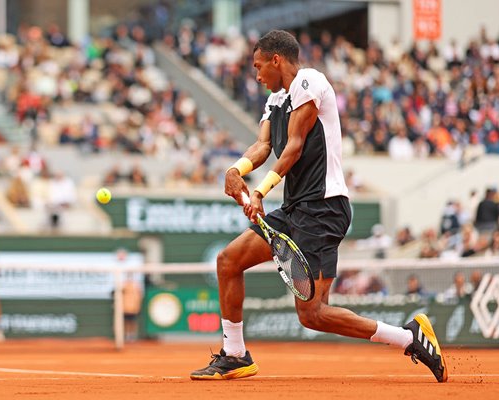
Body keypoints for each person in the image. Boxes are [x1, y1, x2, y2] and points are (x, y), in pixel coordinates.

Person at [190, 30, 447, 383]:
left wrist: (261, 190)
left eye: (258, 66)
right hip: (295, 208)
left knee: (312, 315)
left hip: (324, 209)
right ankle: (235, 354)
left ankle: (408, 337)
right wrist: (237, 169)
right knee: (228, 261)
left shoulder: (310, 81)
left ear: (276, 59)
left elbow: (293, 146)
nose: (256, 75)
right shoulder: (275, 101)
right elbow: (263, 145)